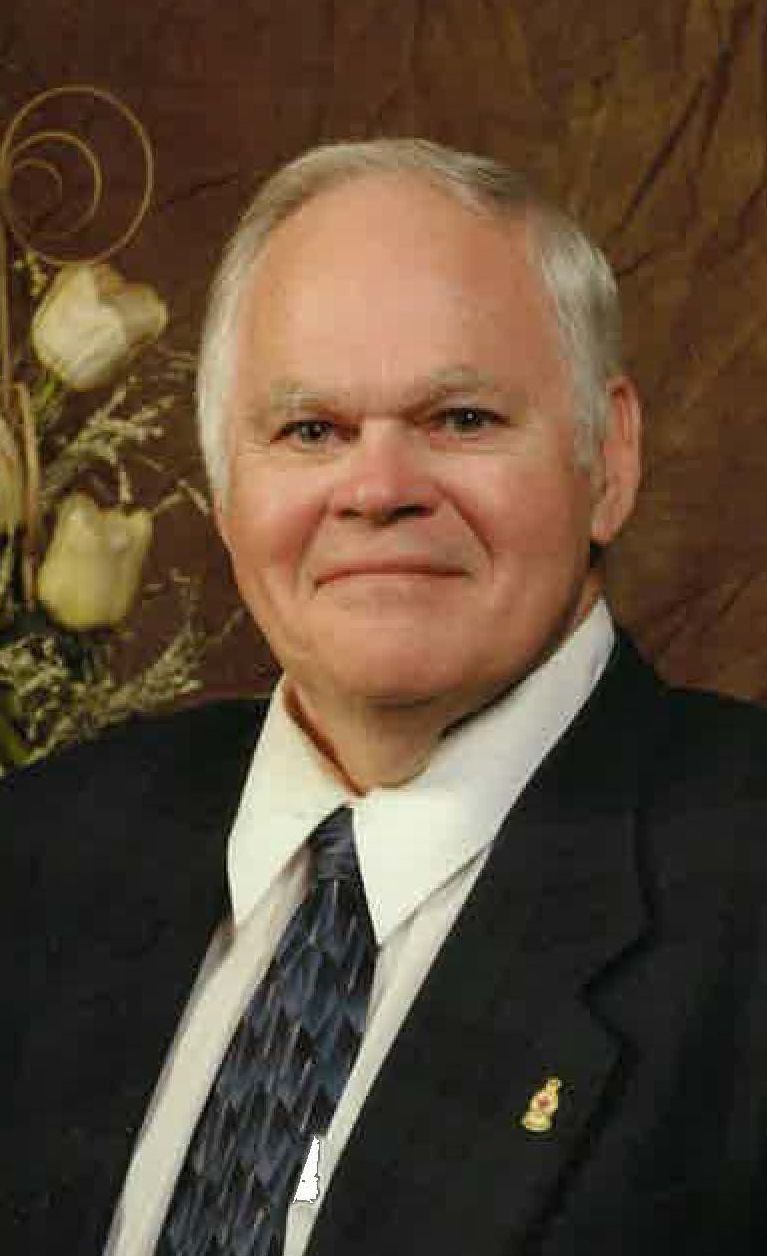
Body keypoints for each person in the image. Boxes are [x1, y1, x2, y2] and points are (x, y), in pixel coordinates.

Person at [4, 138, 767, 1256]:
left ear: (606, 459)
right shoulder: (40, 848)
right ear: (224, 488)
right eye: (310, 430)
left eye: (460, 419)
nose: (377, 489)